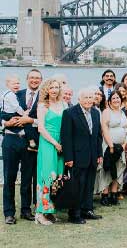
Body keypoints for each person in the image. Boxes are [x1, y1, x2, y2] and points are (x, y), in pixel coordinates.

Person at [3, 69, 43, 224]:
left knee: (27, 178)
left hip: (30, 142)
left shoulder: (43, 98)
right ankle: (9, 213)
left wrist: (30, 121)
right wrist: (5, 123)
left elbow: (45, 122)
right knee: (9, 178)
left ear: (41, 80)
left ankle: (26, 210)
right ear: (27, 79)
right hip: (11, 140)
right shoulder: (13, 94)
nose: (34, 80)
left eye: (37, 78)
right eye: (32, 77)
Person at [60, 86, 103, 224]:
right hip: (77, 157)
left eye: (91, 97)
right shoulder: (69, 113)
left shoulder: (96, 113)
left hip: (92, 156)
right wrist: (69, 158)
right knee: (77, 186)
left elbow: (98, 136)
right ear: (79, 99)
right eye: (85, 97)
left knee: (89, 185)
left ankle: (87, 210)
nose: (88, 100)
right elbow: (66, 137)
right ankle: (75, 214)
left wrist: (99, 154)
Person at [34, 79, 65, 225]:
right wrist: (55, 143)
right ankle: (40, 212)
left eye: (57, 87)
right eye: (51, 87)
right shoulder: (43, 105)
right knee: (46, 176)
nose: (54, 90)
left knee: (57, 176)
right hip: (48, 143)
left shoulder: (62, 104)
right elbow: (41, 128)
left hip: (61, 142)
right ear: (46, 89)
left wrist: (62, 143)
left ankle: (50, 211)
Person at [96, 90, 127, 207]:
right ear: (109, 101)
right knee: (107, 168)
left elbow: (126, 129)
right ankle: (105, 195)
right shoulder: (106, 112)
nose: (116, 100)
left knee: (118, 168)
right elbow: (104, 129)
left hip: (121, 147)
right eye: (113, 98)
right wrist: (110, 145)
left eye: (118, 98)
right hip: (109, 145)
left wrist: (125, 144)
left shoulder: (122, 112)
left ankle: (114, 194)